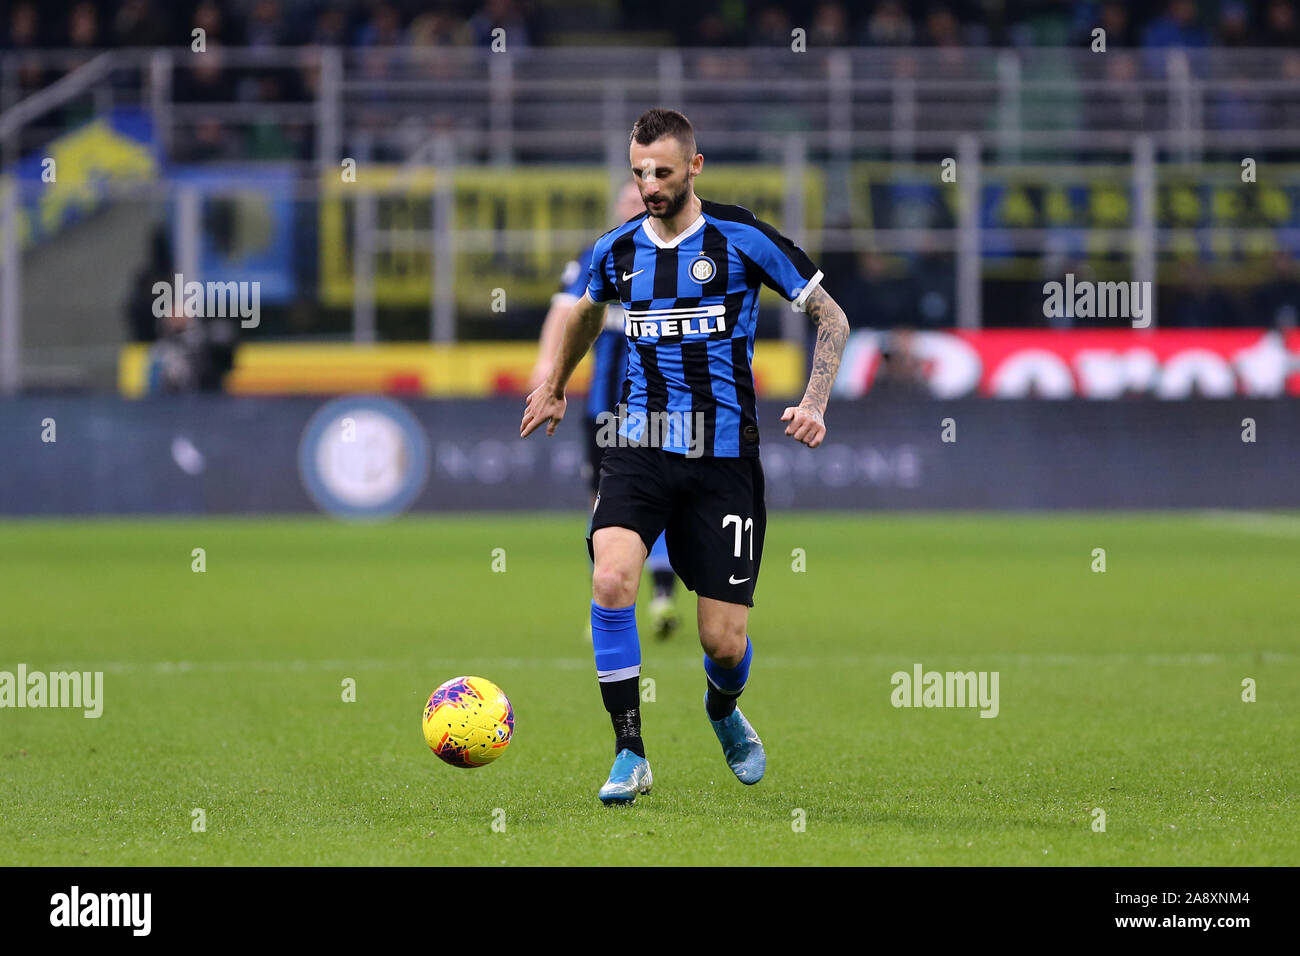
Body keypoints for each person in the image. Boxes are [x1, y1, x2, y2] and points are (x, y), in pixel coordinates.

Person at [520, 108, 850, 804]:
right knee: (612, 582)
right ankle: (629, 753)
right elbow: (583, 313)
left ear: (694, 167)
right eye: (639, 172)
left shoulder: (741, 237)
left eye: (662, 172)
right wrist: (553, 386)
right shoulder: (616, 250)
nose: (649, 185)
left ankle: (723, 708)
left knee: (723, 641)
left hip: (724, 460)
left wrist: (815, 399)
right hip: (638, 446)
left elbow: (831, 315)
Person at [532, 181, 682, 639]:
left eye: (644, 201)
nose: (639, 207)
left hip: (663, 406)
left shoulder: (681, 257)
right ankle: (619, 600)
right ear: (619, 208)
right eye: (631, 201)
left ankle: (653, 598)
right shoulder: (601, 255)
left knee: (656, 500)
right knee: (606, 504)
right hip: (604, 411)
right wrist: (546, 366)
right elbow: (563, 311)